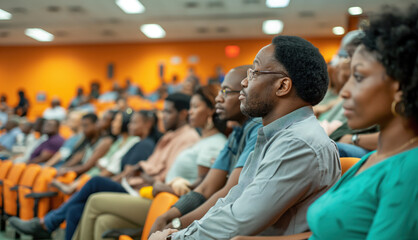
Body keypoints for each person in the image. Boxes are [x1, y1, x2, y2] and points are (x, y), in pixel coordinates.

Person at [150, 35, 341, 240]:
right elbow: (232, 201)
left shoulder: (297, 143)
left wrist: (175, 238)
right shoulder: (275, 136)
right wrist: (182, 233)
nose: (244, 82)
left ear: (283, 86)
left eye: (254, 72)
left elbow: (240, 220)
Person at [307, 5, 418, 239]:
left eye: (359, 77)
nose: (344, 91)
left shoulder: (417, 169)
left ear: (401, 86)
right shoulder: (373, 158)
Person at [8, 93, 199, 240]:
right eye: (163, 111)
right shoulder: (167, 137)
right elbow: (147, 167)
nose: (163, 116)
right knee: (84, 213)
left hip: (147, 195)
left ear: (183, 113)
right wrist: (140, 170)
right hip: (134, 187)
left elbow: (160, 176)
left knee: (95, 189)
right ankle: (47, 223)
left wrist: (141, 171)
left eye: (168, 112)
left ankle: (46, 223)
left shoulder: (184, 138)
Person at [149, 65, 261, 235]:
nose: (218, 99)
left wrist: (177, 223)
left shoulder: (257, 130)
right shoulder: (236, 133)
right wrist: (167, 217)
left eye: (226, 91)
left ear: (247, 92)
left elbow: (229, 191)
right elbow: (205, 188)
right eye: (219, 92)